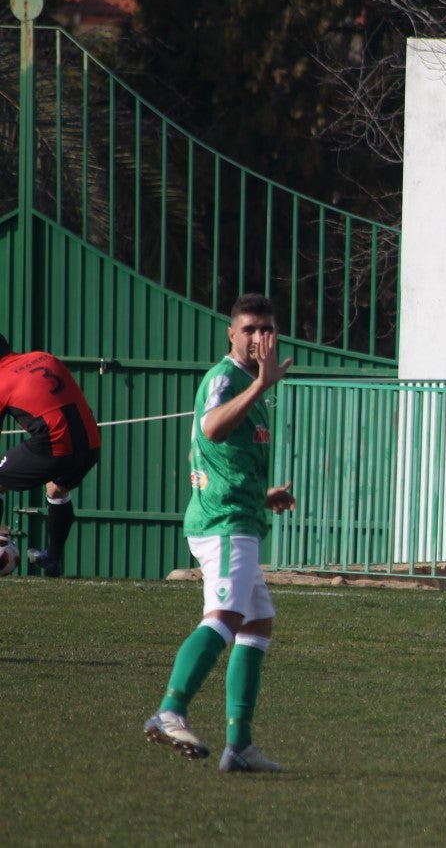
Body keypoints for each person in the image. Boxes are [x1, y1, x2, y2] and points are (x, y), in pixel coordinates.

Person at [144, 293, 296, 773]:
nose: (257, 337)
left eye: (265, 329)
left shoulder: (251, 384)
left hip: (240, 514)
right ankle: (170, 710)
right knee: (226, 617)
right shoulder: (228, 379)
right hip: (224, 523)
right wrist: (259, 388)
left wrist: (262, 494)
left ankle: (240, 747)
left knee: (256, 625)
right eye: (248, 328)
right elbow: (211, 428)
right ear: (231, 333)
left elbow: (220, 457)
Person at [0, 334, 101, 578]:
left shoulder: (2, 380)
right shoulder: (42, 357)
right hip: (91, 444)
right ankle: (52, 558)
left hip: (56, 447)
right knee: (57, 490)